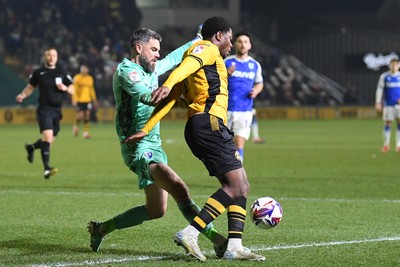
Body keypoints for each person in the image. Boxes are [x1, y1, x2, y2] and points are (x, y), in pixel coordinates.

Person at [123, 17, 266, 262]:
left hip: (206, 126)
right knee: (235, 186)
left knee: (241, 185)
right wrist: (167, 83)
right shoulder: (206, 49)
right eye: (229, 39)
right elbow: (184, 70)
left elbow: (170, 99)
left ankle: (234, 245)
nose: (230, 45)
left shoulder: (206, 62)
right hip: (208, 124)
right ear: (218, 36)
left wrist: (146, 128)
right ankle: (191, 232)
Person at [87, 27, 227, 256]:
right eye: (153, 49)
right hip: (137, 148)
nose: (157, 55)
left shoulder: (150, 68)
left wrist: (197, 40)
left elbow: (173, 59)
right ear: (138, 48)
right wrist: (175, 97)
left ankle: (100, 229)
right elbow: (146, 96)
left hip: (155, 145)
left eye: (158, 50)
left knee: (156, 210)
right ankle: (218, 240)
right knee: (180, 189)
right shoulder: (127, 72)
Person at [15, 47, 74, 179]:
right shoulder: (39, 72)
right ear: (45, 57)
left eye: (54, 55)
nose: (51, 57)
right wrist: (22, 95)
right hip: (44, 109)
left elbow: (73, 90)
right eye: (49, 55)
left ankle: (31, 147)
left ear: (57, 57)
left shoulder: (62, 72)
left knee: (48, 142)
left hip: (57, 111)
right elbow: (30, 87)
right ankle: (47, 169)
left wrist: (65, 88)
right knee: (47, 138)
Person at [224, 32, 264, 161]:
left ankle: (238, 175)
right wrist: (227, 74)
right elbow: (215, 81)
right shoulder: (227, 62)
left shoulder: (255, 65)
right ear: (235, 44)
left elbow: (259, 83)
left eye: (245, 42)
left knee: (239, 144)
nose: (242, 44)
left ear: (250, 45)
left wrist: (256, 91)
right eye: (240, 41)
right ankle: (227, 174)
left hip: (244, 110)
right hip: (225, 109)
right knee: (224, 146)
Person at [375, 55, 400, 153]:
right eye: (392, 65)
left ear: (398, 66)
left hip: (399, 105)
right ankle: (386, 145)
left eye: (395, 65)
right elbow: (379, 89)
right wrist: (378, 102)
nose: (393, 67)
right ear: (389, 66)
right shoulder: (384, 76)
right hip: (388, 104)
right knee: (388, 123)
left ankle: (398, 145)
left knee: (399, 123)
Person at [72, 64, 97, 139]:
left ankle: (85, 132)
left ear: (87, 70)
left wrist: (94, 99)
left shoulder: (90, 78)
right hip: (79, 99)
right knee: (81, 115)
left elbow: (91, 89)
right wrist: (74, 99)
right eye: (82, 69)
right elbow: (74, 89)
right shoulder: (77, 78)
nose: (83, 70)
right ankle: (75, 126)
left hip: (88, 99)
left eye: (85, 69)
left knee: (87, 114)